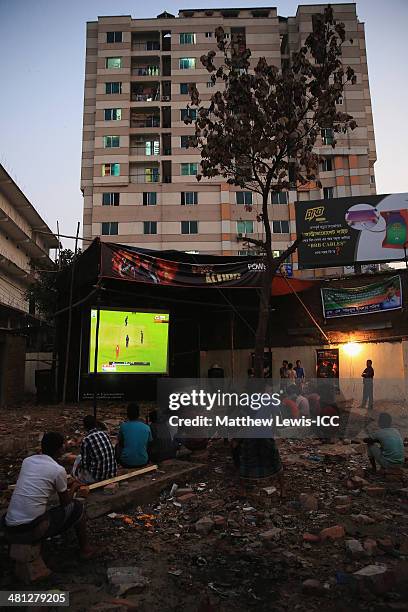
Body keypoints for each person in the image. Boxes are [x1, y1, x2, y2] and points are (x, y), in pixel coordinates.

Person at [4, 432, 94, 559]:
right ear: (60, 449)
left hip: (9, 527)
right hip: (30, 530)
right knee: (77, 507)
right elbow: (66, 503)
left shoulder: (27, 461)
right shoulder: (58, 470)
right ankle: (86, 549)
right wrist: (74, 487)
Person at [73, 416, 117, 484]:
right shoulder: (105, 434)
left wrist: (79, 466)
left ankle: (75, 477)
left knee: (79, 458)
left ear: (85, 426)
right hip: (112, 474)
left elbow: (85, 465)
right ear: (96, 424)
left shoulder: (86, 440)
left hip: (97, 478)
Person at [116, 403, 152, 468]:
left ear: (127, 414)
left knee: (117, 446)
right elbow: (149, 444)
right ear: (138, 414)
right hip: (143, 461)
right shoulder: (147, 427)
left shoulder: (123, 426)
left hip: (126, 462)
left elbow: (120, 442)